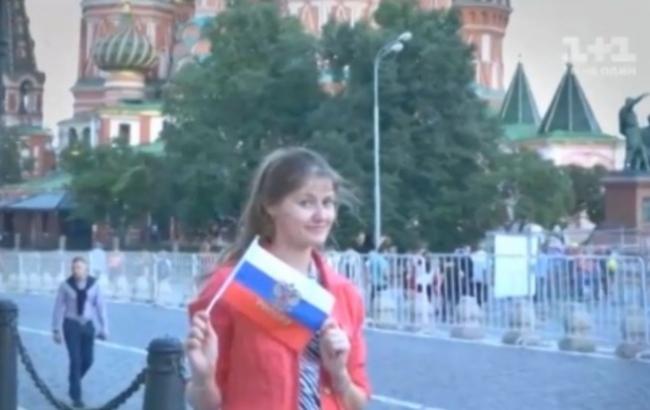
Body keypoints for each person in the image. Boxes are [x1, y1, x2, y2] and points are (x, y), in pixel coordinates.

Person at [185, 147, 371, 410]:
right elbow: (206, 403)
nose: (321, 216)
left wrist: (339, 374)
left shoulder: (344, 294)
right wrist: (203, 379)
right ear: (270, 206)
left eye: (328, 202)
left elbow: (358, 401)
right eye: (306, 203)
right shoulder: (231, 286)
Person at [52, 256, 108, 408]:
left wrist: (104, 328)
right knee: (75, 360)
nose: (76, 271)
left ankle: (73, 381)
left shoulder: (94, 285)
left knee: (88, 360)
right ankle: (76, 397)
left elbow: (101, 307)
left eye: (79, 267)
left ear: (86, 269)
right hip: (71, 325)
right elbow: (58, 308)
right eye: (74, 268)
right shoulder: (65, 286)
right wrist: (56, 329)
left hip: (88, 325)